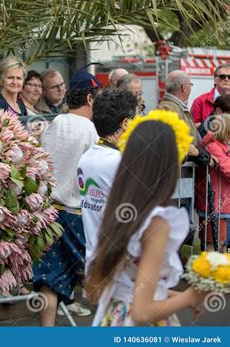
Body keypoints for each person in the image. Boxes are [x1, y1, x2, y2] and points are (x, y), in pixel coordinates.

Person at [86, 110, 208, 326]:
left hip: (112, 317)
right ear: (169, 164)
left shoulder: (116, 210)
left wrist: (170, 296)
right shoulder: (157, 223)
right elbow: (141, 313)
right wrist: (192, 295)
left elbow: (101, 287)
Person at [33, 69, 102, 325]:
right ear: (90, 99)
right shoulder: (91, 132)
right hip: (76, 215)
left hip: (49, 213)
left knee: (50, 281)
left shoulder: (55, 123)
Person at [78, 89, 137, 274]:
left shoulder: (86, 158)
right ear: (125, 123)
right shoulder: (119, 162)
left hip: (95, 261)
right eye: (135, 118)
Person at [158, 70, 214, 166]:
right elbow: (177, 146)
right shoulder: (169, 109)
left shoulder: (174, 107)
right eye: (190, 85)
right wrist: (202, 156)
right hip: (178, 176)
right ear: (184, 87)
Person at [195, 114, 230, 252]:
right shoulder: (214, 147)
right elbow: (228, 169)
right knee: (214, 246)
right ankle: (207, 273)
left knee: (223, 247)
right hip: (214, 205)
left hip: (223, 206)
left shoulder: (223, 145)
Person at [20, 70, 45, 139]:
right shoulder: (19, 110)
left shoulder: (38, 111)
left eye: (39, 86)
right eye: (33, 85)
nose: (37, 90)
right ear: (22, 87)